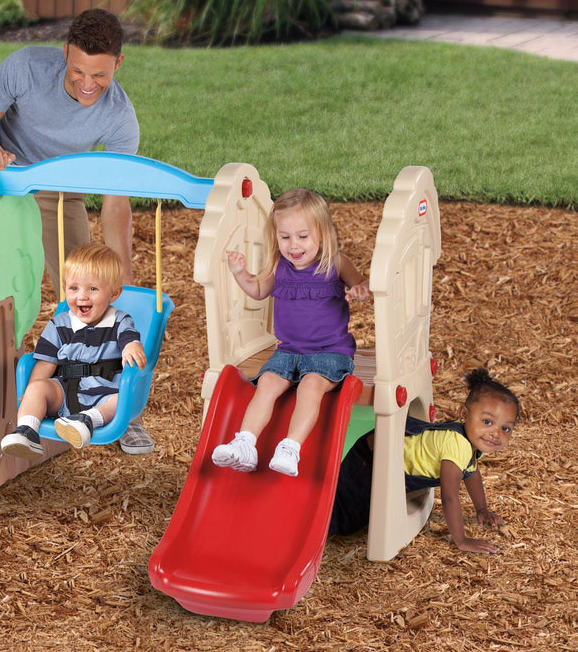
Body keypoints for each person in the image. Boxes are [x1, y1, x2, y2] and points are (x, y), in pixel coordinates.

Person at [0, 7, 154, 454]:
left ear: (119, 64)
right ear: (65, 52)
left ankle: (118, 412)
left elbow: (116, 205)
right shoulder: (26, 67)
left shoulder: (119, 117)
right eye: (78, 70)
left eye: (100, 75)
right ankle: (17, 409)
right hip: (4, 182)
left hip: (59, 195)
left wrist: (120, 279)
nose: (88, 83)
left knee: (92, 298)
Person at [211, 188, 372, 477]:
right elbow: (258, 290)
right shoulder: (278, 266)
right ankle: (245, 443)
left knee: (310, 386)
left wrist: (361, 289)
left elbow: (361, 283)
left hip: (330, 353)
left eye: (303, 236)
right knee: (267, 383)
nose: (293, 245)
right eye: (285, 237)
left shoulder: (335, 263)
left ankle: (290, 447)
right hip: (288, 351)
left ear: (322, 233)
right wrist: (239, 273)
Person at [329, 368, 520, 555]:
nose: (496, 433)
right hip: (370, 460)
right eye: (487, 422)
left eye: (506, 428)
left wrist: (481, 508)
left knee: (359, 514)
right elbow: (449, 496)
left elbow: (471, 473)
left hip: (384, 460)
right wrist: (461, 540)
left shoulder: (474, 443)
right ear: (463, 414)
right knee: (346, 518)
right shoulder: (457, 444)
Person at [0, 244, 146, 461]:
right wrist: (32, 389)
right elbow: (46, 362)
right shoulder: (59, 324)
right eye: (74, 288)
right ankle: (27, 431)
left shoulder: (119, 321)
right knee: (38, 387)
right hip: (65, 393)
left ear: (114, 293)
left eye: (93, 289)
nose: (82, 297)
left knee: (123, 400)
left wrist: (132, 346)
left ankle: (88, 420)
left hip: (104, 396)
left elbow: (129, 338)